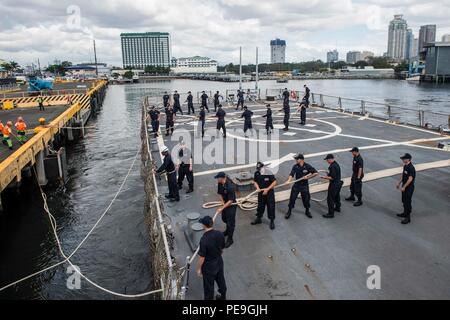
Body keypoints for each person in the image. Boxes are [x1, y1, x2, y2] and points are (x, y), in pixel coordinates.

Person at [197, 215, 227, 300]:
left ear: (204, 225)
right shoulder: (220, 233)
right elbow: (222, 247)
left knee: (209, 286)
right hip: (219, 262)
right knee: (221, 280)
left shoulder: (204, 239)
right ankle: (223, 297)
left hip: (209, 266)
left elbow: (201, 257)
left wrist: (199, 269)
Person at [285, 154, 319, 219]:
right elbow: (292, 174)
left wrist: (308, 177)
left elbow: (316, 173)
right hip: (296, 185)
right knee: (292, 198)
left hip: (304, 186)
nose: (296, 160)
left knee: (306, 199)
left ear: (301, 159)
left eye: (297, 159)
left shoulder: (307, 166)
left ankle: (307, 211)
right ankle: (289, 211)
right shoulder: (295, 166)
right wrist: (288, 180)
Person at [251, 162, 277, 230]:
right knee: (260, 206)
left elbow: (274, 182)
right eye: (258, 169)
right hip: (261, 193)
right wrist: (257, 188)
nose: (259, 170)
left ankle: (272, 221)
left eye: (260, 168)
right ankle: (259, 218)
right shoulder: (257, 173)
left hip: (269, 193)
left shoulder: (269, 173)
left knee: (271, 207)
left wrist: (267, 189)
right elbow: (255, 182)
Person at [214, 172, 237, 248]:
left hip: (231, 206)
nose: (217, 179)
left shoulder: (230, 186)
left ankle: (230, 239)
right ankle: (227, 231)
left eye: (218, 178)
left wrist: (222, 208)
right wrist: (223, 203)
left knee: (231, 223)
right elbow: (220, 193)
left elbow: (230, 200)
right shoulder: (220, 183)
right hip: (225, 204)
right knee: (224, 219)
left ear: (222, 178)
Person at [321, 154, 343, 219]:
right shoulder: (336, 164)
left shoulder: (332, 166)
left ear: (331, 159)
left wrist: (325, 177)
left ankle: (331, 213)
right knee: (336, 196)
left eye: (327, 160)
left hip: (334, 184)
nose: (327, 161)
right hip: (339, 183)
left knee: (330, 199)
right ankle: (338, 207)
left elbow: (332, 177)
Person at [396, 153, 416, 225]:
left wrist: (404, 187)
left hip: (409, 188)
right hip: (404, 187)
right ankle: (404, 213)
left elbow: (410, 179)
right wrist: (399, 182)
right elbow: (403, 175)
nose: (402, 160)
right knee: (404, 201)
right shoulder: (405, 166)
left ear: (408, 159)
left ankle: (408, 218)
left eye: (404, 159)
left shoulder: (411, 168)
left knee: (407, 202)